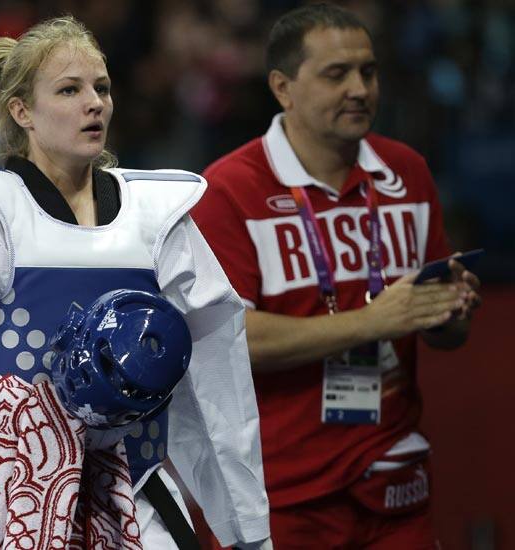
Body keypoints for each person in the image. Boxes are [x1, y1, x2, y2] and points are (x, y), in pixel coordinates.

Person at [0, 16, 271, 550]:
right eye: (69, 89)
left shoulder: (157, 218)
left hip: (139, 499)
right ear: (23, 112)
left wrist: (247, 530)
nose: (96, 103)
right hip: (7, 501)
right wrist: (25, 418)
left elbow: (217, 371)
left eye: (102, 87)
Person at [191, 4, 481, 548]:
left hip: (396, 481)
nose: (359, 88)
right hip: (280, 491)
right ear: (283, 87)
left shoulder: (408, 172)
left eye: (368, 72)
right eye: (335, 74)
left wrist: (449, 311)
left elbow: (445, 334)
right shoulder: (229, 189)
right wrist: (372, 321)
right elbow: (231, 339)